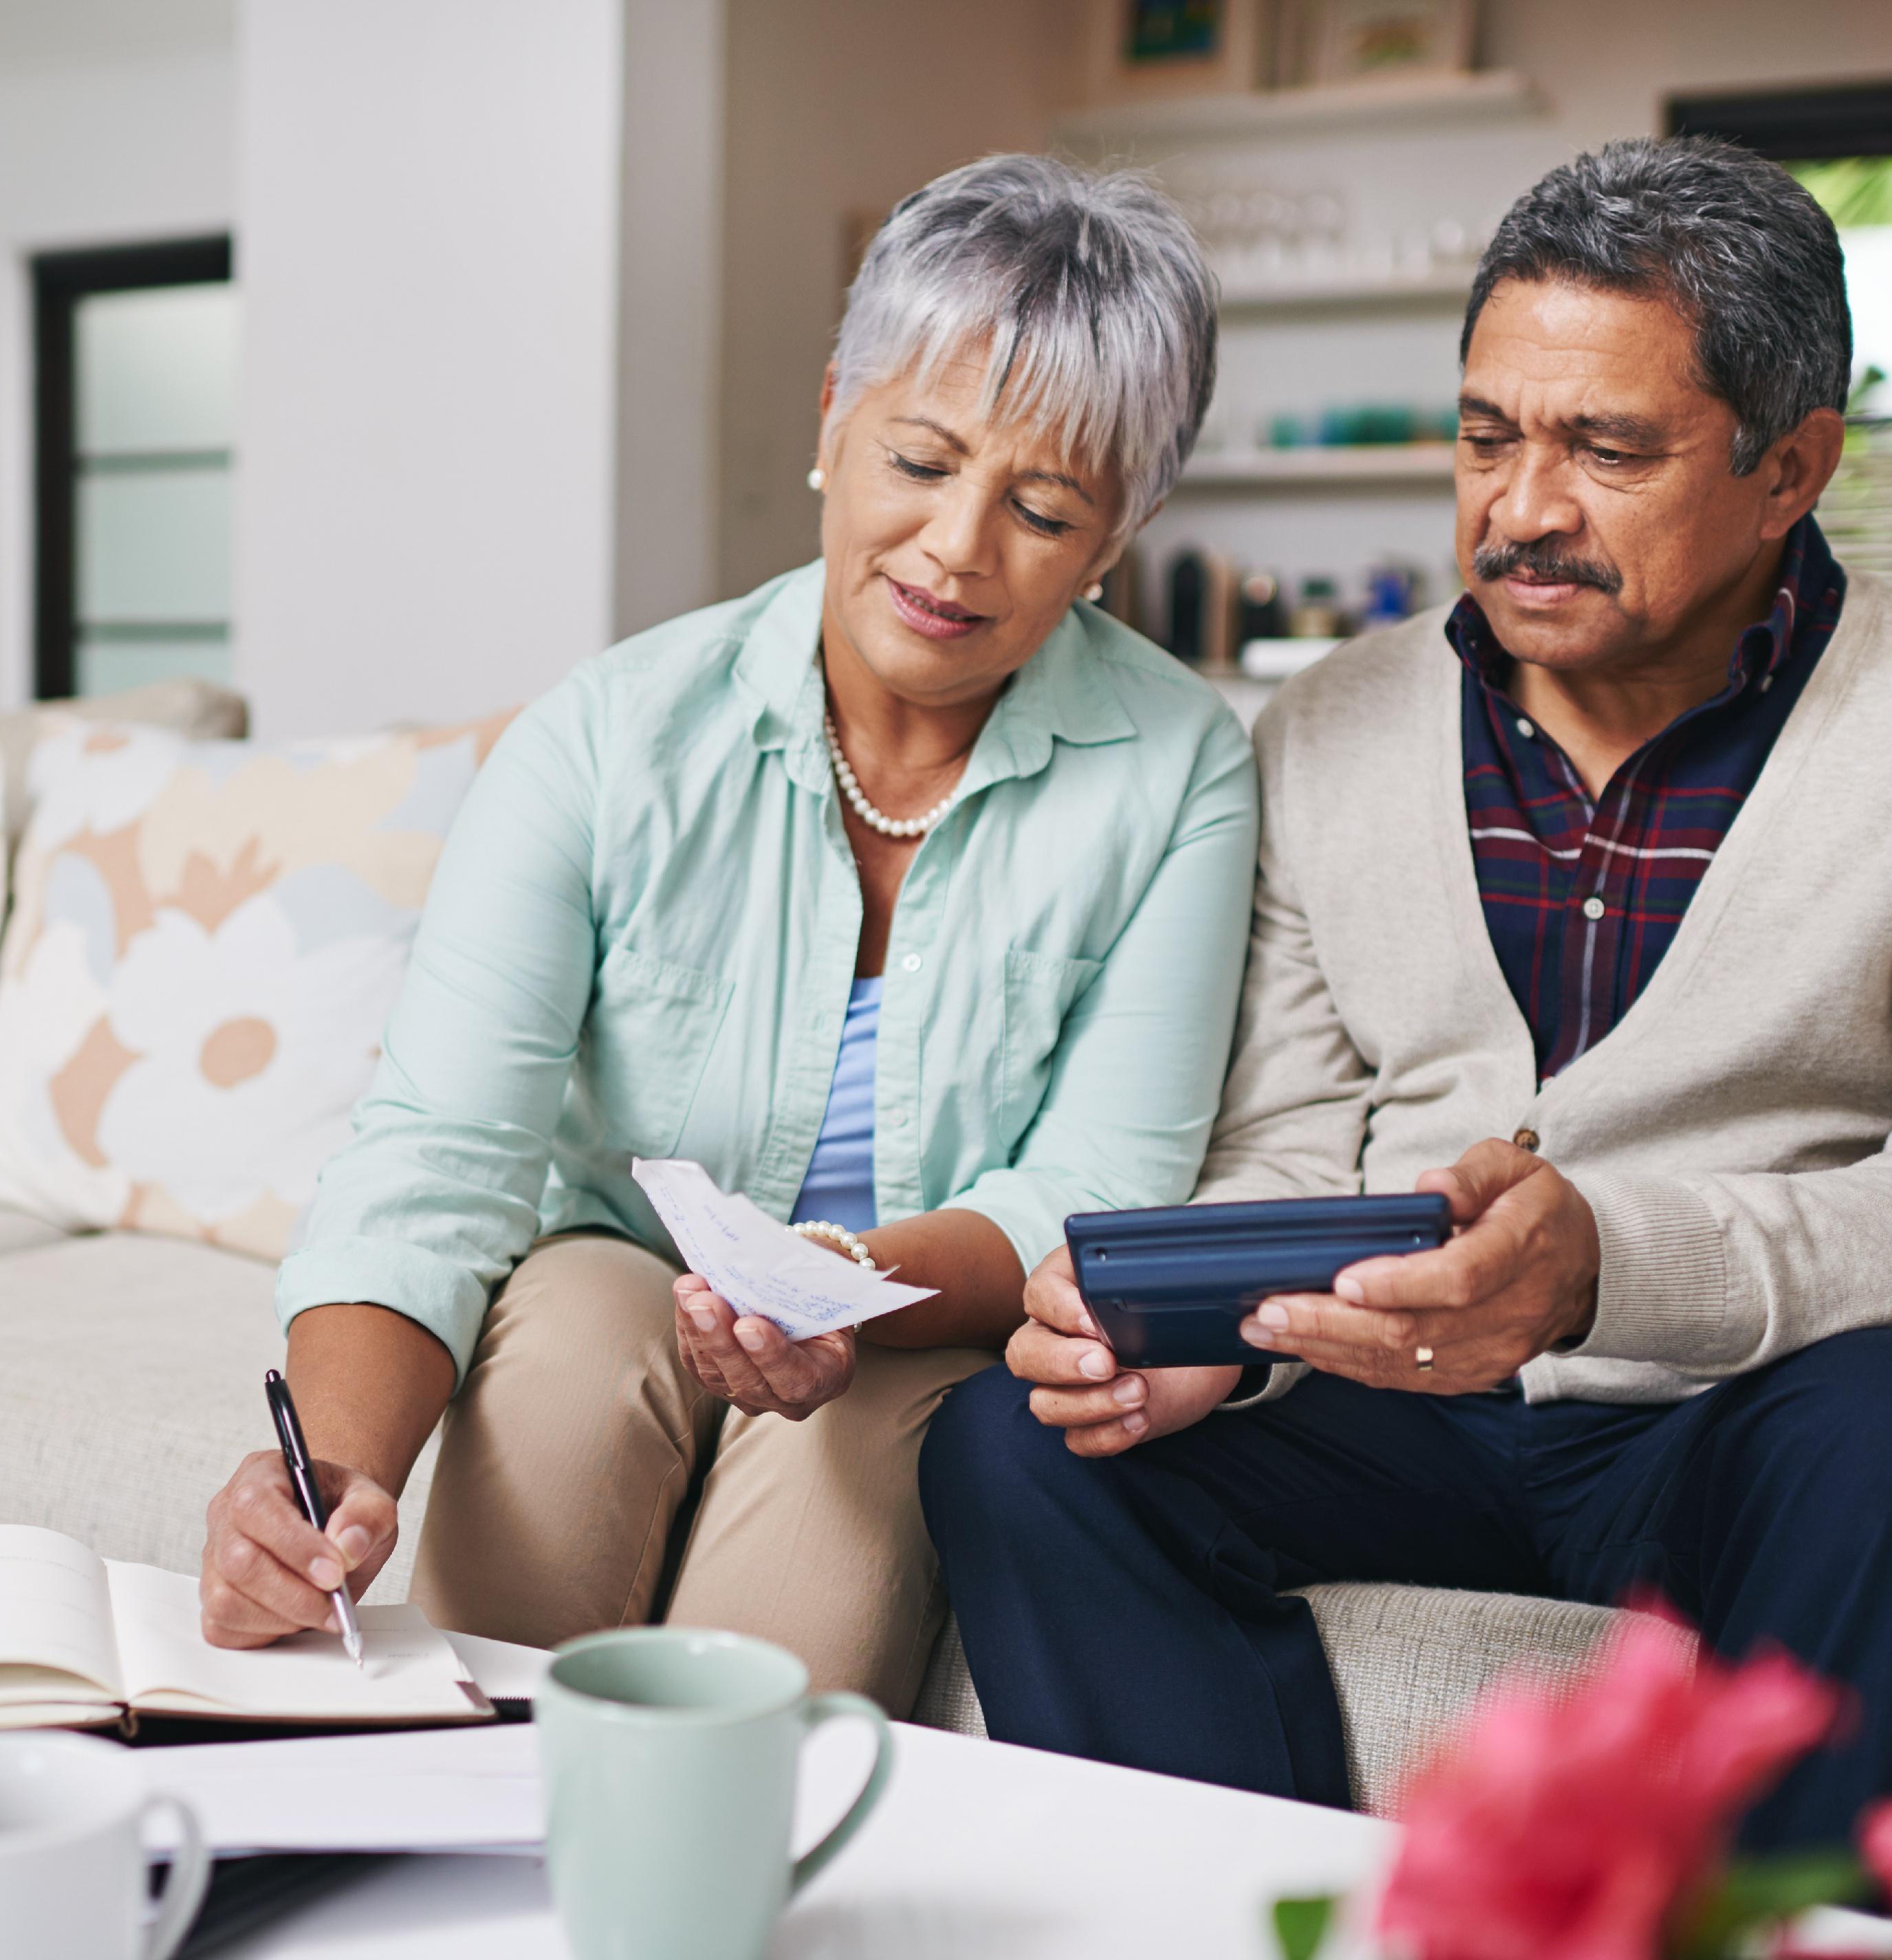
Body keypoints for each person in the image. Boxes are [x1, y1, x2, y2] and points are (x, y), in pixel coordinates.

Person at [922, 134, 1892, 1849]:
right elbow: (1293, 1136)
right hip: (1391, 1410)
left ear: (1789, 466)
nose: (1521, 509)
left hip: (1735, 1414)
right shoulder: (1321, 728)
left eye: (1605, 450)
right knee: (1011, 1444)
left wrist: (1607, 1266)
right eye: (1485, 436)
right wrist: (1204, 1345)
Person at [193, 154, 1256, 1711]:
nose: (957, 548)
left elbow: (1095, 1186)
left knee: (789, 1618)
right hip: (611, 1275)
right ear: (832, 417)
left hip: (909, 1316)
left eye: (1040, 508)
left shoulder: (1180, 764)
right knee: (564, 1359)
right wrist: (327, 1477)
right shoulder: (609, 735)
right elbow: (443, 1145)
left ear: (1117, 539)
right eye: (919, 458)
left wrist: (833, 1283)